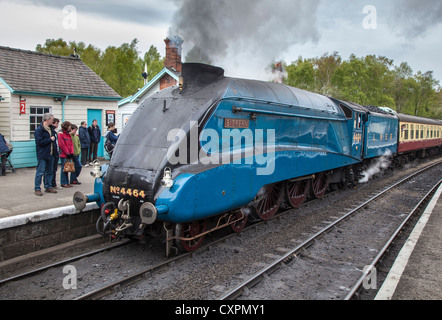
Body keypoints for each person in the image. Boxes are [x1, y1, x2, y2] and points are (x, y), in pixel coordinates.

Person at [34, 113, 57, 196]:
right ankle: (37, 188)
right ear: (47, 119)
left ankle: (48, 186)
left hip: (51, 153)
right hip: (43, 154)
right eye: (52, 119)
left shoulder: (52, 129)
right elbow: (39, 142)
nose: (53, 121)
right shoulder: (39, 130)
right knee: (40, 172)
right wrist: (49, 139)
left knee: (49, 171)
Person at [58, 121, 74, 188]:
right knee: (64, 168)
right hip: (63, 154)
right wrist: (67, 153)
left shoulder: (68, 134)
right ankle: (63, 182)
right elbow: (62, 145)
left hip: (68, 154)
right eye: (69, 126)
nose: (70, 128)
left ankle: (67, 182)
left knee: (67, 168)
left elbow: (71, 144)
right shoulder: (61, 134)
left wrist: (71, 152)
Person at [50, 118, 60, 188]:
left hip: (56, 152)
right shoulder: (51, 132)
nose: (57, 125)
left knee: (54, 169)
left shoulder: (55, 132)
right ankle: (50, 184)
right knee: (51, 169)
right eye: (56, 123)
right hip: (52, 153)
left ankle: (53, 183)